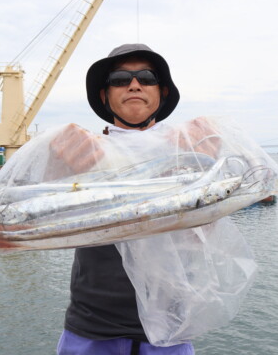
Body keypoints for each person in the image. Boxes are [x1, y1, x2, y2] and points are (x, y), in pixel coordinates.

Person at [54, 44, 217, 355]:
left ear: (162, 93)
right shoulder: (80, 154)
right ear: (104, 95)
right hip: (90, 329)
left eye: (146, 77)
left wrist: (203, 181)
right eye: (119, 79)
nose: (133, 84)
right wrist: (59, 165)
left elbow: (202, 238)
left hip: (169, 331)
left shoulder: (187, 156)